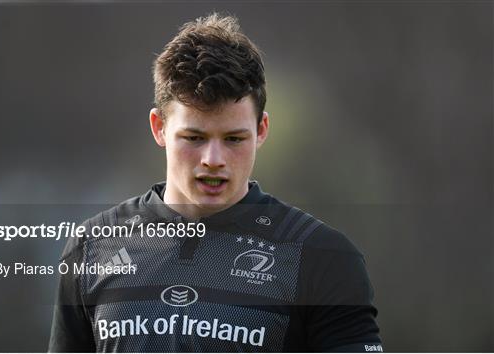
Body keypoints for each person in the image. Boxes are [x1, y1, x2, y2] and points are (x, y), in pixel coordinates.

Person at [48, 13, 383, 352]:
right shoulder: (91, 248)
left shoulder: (323, 258)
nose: (213, 159)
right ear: (159, 128)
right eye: (194, 137)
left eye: (234, 139)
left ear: (262, 130)